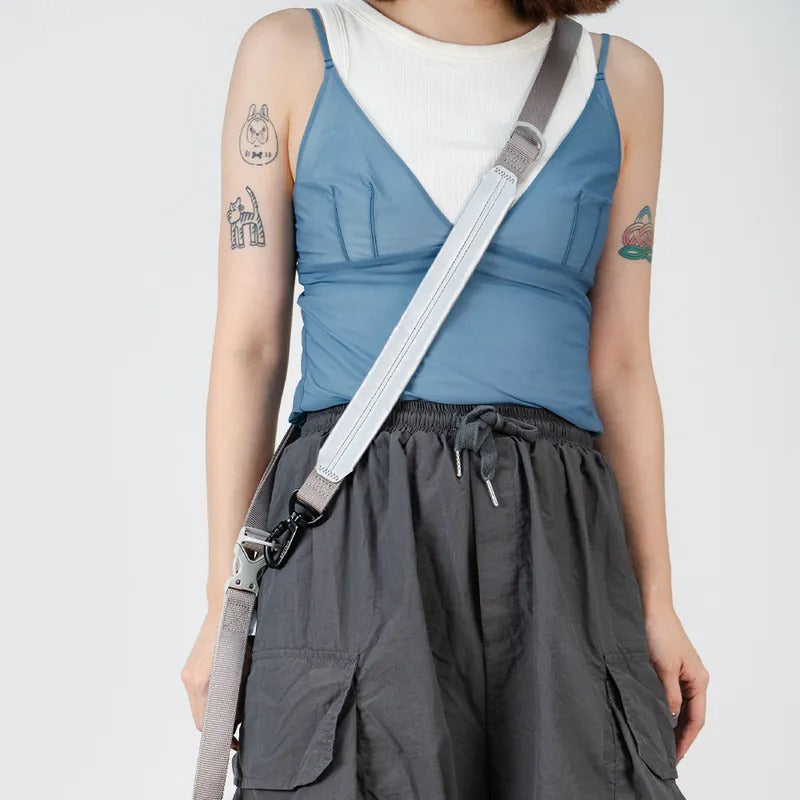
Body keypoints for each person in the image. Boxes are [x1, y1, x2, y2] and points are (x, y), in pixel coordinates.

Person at [182, 1, 709, 797]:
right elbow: (248, 348)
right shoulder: (291, 54)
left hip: (558, 539)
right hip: (353, 529)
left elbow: (622, 366)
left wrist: (657, 601)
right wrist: (226, 608)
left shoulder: (622, 81)